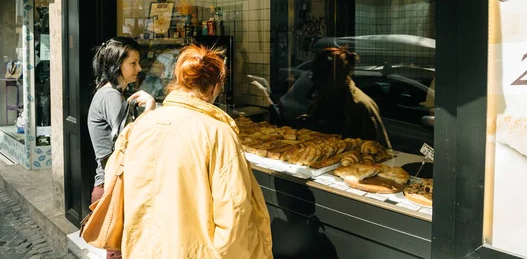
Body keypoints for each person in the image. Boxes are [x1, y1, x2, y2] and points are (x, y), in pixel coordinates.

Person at [121, 45, 273, 258]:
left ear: (179, 80)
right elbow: (234, 215)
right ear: (214, 87)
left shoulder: (141, 125)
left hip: (143, 250)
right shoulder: (218, 133)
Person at [87, 37, 156, 259]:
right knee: (119, 252)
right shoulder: (110, 95)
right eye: (133, 63)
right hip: (112, 187)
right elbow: (130, 141)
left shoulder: (113, 93)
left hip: (111, 184)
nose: (139, 68)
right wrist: (151, 109)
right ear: (117, 64)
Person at [305, 46, 391, 148]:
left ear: (336, 78)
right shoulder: (325, 98)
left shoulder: (360, 106)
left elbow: (379, 150)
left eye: (321, 79)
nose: (317, 83)